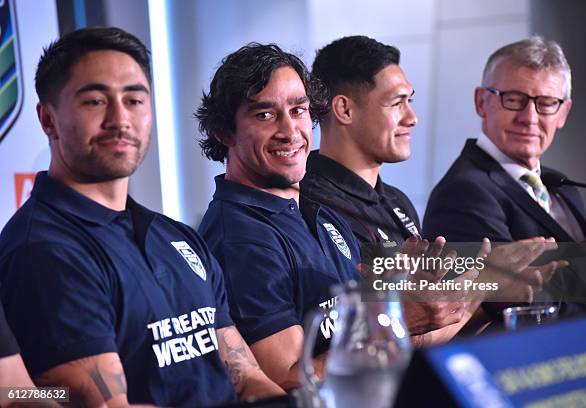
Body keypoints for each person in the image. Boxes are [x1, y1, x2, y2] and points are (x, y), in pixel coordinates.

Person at [0, 27, 283, 407]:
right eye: (95, 102)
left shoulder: (177, 238)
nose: (120, 119)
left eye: (134, 100)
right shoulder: (43, 251)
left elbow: (247, 377)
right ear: (48, 119)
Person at [196, 43, 367, 390]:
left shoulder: (323, 216)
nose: (290, 131)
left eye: (299, 110)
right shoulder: (241, 239)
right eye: (265, 115)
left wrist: (443, 300)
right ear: (224, 132)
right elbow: (288, 380)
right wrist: (391, 324)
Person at [300, 35, 477, 337]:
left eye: (410, 101)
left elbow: (426, 315)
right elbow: (377, 328)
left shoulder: (398, 200)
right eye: (397, 103)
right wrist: (488, 293)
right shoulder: (312, 205)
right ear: (344, 110)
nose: (412, 118)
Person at [423, 36, 586, 305]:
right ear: (481, 102)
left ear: (563, 113)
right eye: (514, 99)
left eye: (546, 103)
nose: (529, 118)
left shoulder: (560, 184)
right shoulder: (462, 193)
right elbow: (518, 303)